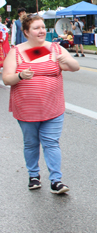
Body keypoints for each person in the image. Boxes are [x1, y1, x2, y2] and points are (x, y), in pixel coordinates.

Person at [2, 14, 79, 193]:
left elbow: (75, 67)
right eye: (36, 28)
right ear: (26, 32)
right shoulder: (17, 51)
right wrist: (20, 75)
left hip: (53, 107)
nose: (42, 31)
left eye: (43, 27)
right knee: (31, 143)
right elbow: (7, 79)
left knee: (51, 142)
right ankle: (34, 176)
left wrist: (66, 61)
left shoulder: (55, 49)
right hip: (26, 109)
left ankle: (56, 180)